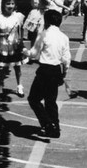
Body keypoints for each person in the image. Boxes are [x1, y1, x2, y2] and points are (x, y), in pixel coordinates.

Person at [24, 9, 71, 138]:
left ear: (46, 21)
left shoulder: (43, 34)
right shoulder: (64, 37)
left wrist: (24, 51)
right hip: (56, 70)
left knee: (33, 99)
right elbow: (66, 58)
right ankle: (56, 128)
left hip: (45, 70)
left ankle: (47, 124)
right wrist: (64, 73)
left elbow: (34, 54)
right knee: (51, 101)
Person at [0, 0, 26, 99]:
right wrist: (0, 38)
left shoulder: (18, 16)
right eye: (8, 4)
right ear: (3, 5)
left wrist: (20, 42)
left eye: (12, 3)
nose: (10, 6)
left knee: (17, 67)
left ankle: (19, 86)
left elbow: (21, 32)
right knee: (1, 68)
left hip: (14, 46)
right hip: (3, 46)